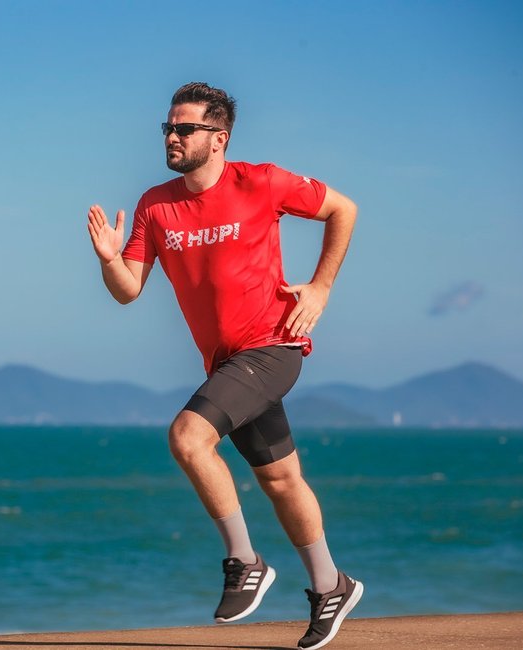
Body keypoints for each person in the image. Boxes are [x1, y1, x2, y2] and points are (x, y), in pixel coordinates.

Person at [87, 82, 361, 650]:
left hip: (273, 345)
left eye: (184, 129)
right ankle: (331, 585)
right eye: (168, 127)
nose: (172, 137)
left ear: (219, 139)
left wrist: (321, 288)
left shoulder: (259, 181)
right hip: (226, 362)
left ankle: (245, 560)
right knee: (281, 479)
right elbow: (127, 291)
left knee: (188, 437)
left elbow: (343, 209)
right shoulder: (154, 204)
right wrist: (112, 260)